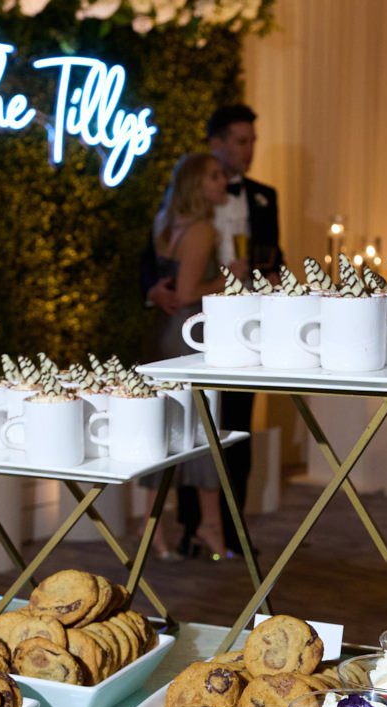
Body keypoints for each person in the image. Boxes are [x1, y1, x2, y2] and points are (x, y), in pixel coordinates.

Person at [144, 105, 281, 556]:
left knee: (230, 429)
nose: (249, 150)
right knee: (203, 431)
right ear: (216, 145)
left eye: (253, 140)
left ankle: (226, 528)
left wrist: (265, 276)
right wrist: (157, 289)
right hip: (199, 329)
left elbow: (274, 259)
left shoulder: (263, 197)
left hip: (243, 326)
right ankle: (198, 528)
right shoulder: (195, 221)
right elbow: (156, 271)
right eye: (241, 141)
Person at [140, 152, 249, 558]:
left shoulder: (165, 221)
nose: (223, 182)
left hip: (164, 334)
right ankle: (209, 524)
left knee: (163, 429)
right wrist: (229, 277)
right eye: (215, 177)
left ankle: (152, 528)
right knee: (202, 429)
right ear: (195, 185)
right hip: (188, 337)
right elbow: (186, 293)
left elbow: (167, 283)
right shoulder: (202, 230)